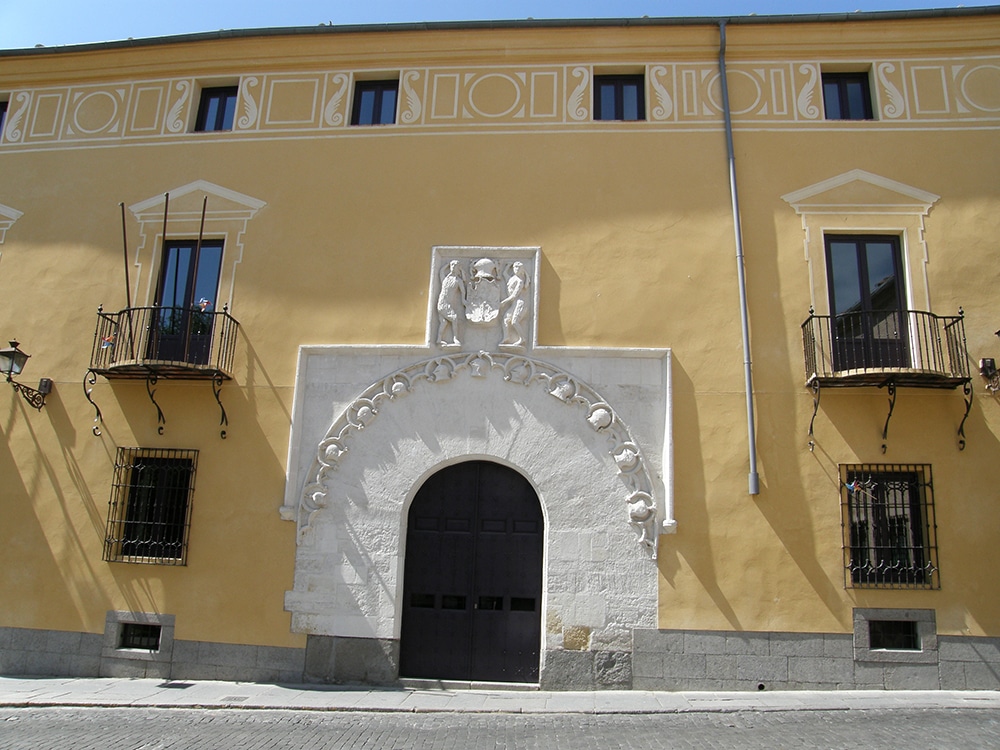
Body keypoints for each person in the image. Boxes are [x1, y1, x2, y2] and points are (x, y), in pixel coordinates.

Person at [436, 260, 465, 346]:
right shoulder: (445, 278)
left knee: (444, 322)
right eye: (451, 266)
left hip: (445, 304)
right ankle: (455, 339)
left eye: (454, 266)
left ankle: (439, 339)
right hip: (443, 303)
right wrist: (447, 265)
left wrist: (464, 300)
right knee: (454, 318)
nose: (452, 267)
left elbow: (463, 291)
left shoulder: (458, 281)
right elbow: (441, 271)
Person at [501, 261, 528, 347]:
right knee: (505, 319)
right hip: (514, 304)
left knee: (514, 322)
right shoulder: (511, 279)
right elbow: (504, 273)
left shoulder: (520, 281)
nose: (516, 269)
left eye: (518, 268)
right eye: (515, 267)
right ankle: (506, 338)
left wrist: (503, 302)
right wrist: (508, 265)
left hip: (520, 303)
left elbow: (514, 296)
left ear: (522, 270)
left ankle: (522, 338)